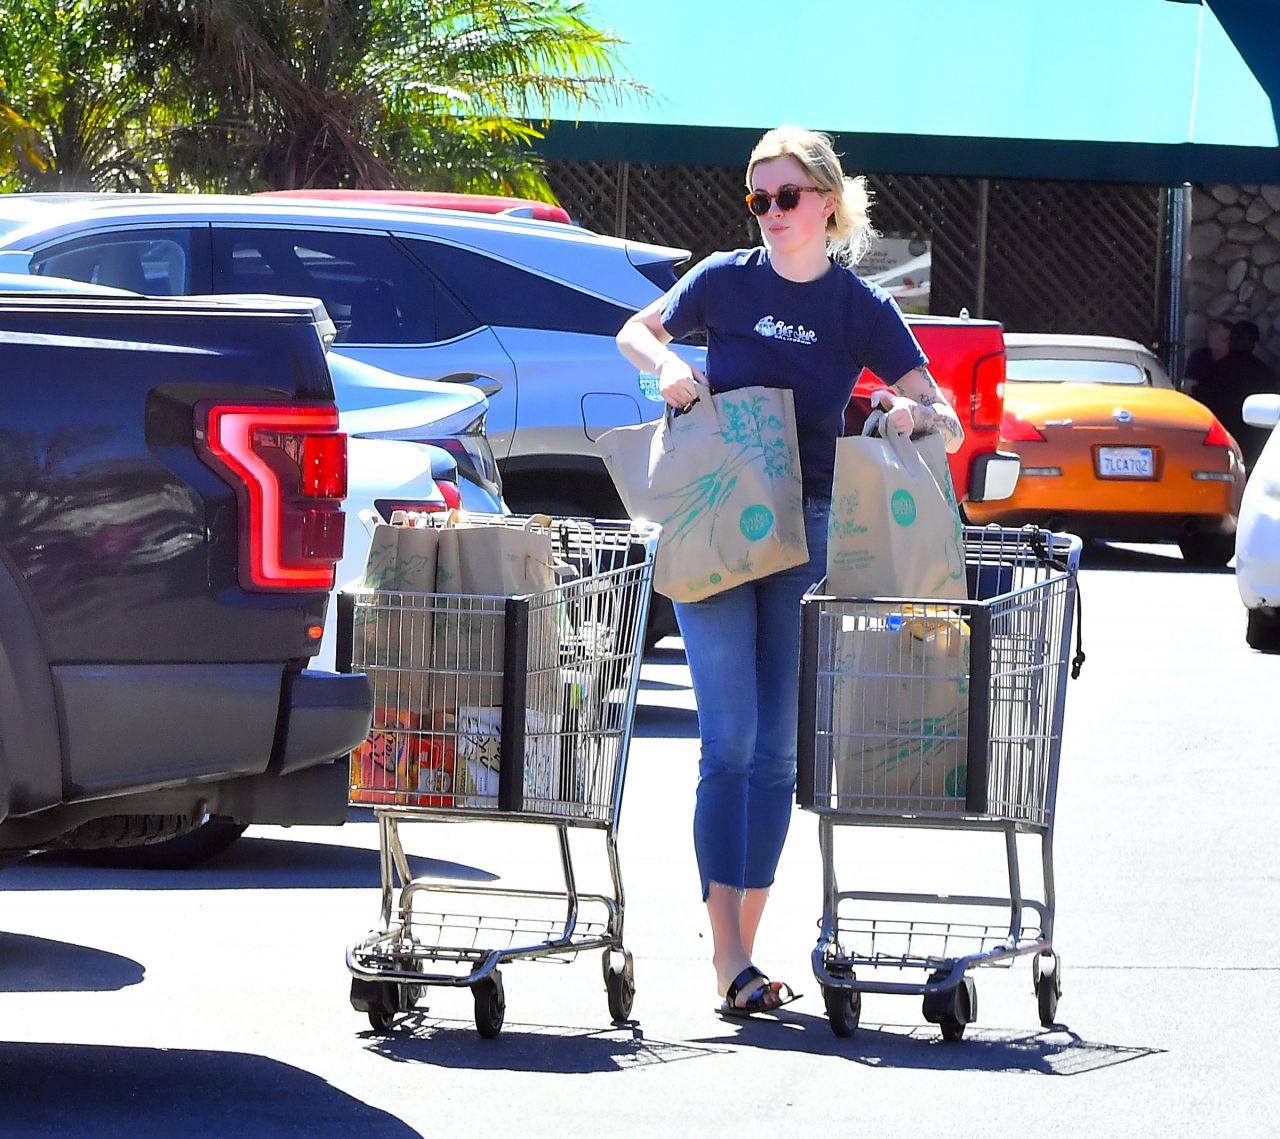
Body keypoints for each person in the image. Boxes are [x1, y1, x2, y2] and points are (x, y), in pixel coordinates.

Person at [614, 125, 964, 1017]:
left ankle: (747, 947)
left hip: (807, 527)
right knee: (727, 737)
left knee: (775, 754)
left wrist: (903, 413)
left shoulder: (857, 306)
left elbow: (943, 414)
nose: (772, 214)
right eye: (758, 199)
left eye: (787, 197)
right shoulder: (726, 279)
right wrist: (668, 368)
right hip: (714, 520)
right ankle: (729, 957)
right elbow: (634, 330)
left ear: (828, 205)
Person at [1201, 320, 1277, 469]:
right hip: (1255, 447)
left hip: (1221, 441)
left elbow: (1203, 400)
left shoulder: (1215, 370)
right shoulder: (1265, 373)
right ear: (1254, 344)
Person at [1184, 318, 1232, 394]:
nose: (1230, 344)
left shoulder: (1236, 361)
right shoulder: (1198, 358)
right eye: (1225, 340)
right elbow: (1189, 389)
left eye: (1231, 340)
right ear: (1212, 339)